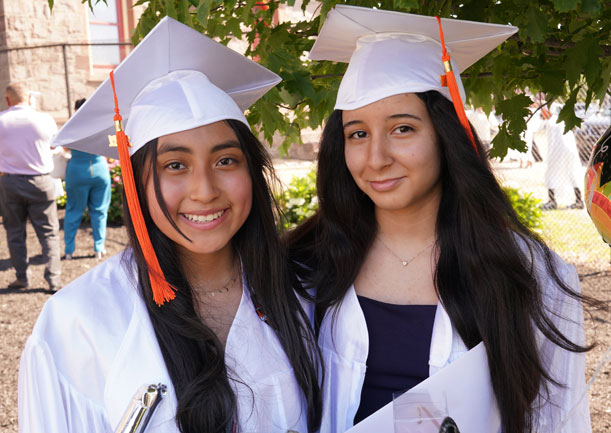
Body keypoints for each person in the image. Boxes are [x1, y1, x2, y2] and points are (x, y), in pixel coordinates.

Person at [286, 5, 594, 433]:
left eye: (403, 129)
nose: (376, 158)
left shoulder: (529, 275)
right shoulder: (306, 268)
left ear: (447, 135)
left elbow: (560, 420)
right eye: (358, 133)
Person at [19, 17, 321, 433]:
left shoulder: (301, 293)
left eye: (226, 160)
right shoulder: (78, 323)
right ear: (137, 182)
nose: (204, 190)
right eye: (175, 165)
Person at [0, 82, 61, 291]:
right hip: (41, 181)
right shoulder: (44, 119)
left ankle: (22, 278)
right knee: (49, 233)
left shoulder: (1, 121)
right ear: (29, 98)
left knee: (15, 233)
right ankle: (53, 280)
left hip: (10, 182)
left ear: (8, 100)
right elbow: (56, 146)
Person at [63, 97, 112, 259]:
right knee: (99, 211)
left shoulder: (71, 126)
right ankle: (99, 248)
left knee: (73, 211)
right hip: (99, 169)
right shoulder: (100, 124)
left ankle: (69, 251)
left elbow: (63, 146)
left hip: (77, 169)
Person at [539, 105, 585, 210]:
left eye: (543, 112)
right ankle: (579, 201)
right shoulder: (562, 119)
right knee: (573, 173)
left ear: (548, 111)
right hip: (571, 152)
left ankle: (552, 201)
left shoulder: (551, 122)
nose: (542, 115)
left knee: (550, 174)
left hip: (558, 152)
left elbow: (552, 142)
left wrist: (550, 157)